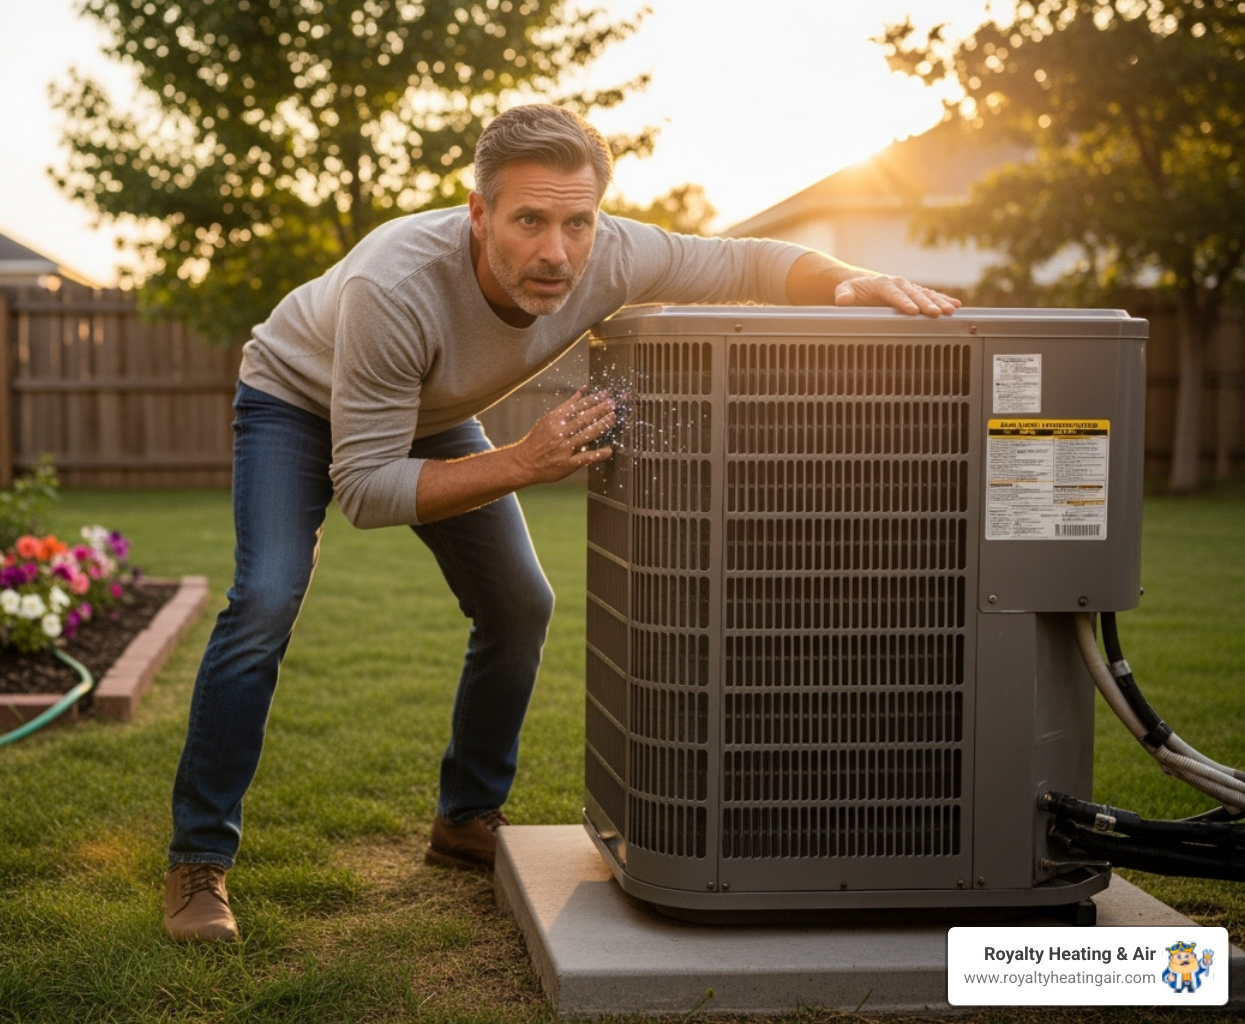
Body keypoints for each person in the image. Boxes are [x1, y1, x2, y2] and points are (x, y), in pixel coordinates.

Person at [162, 104, 961, 943]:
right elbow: (364, 489)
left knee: (520, 603)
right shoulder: (394, 284)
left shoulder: (616, 252)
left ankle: (465, 817)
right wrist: (521, 461)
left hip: (431, 413)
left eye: (577, 223)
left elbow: (748, 260)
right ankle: (198, 858)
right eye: (529, 221)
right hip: (296, 399)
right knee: (265, 601)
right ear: (479, 214)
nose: (556, 252)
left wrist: (847, 279)